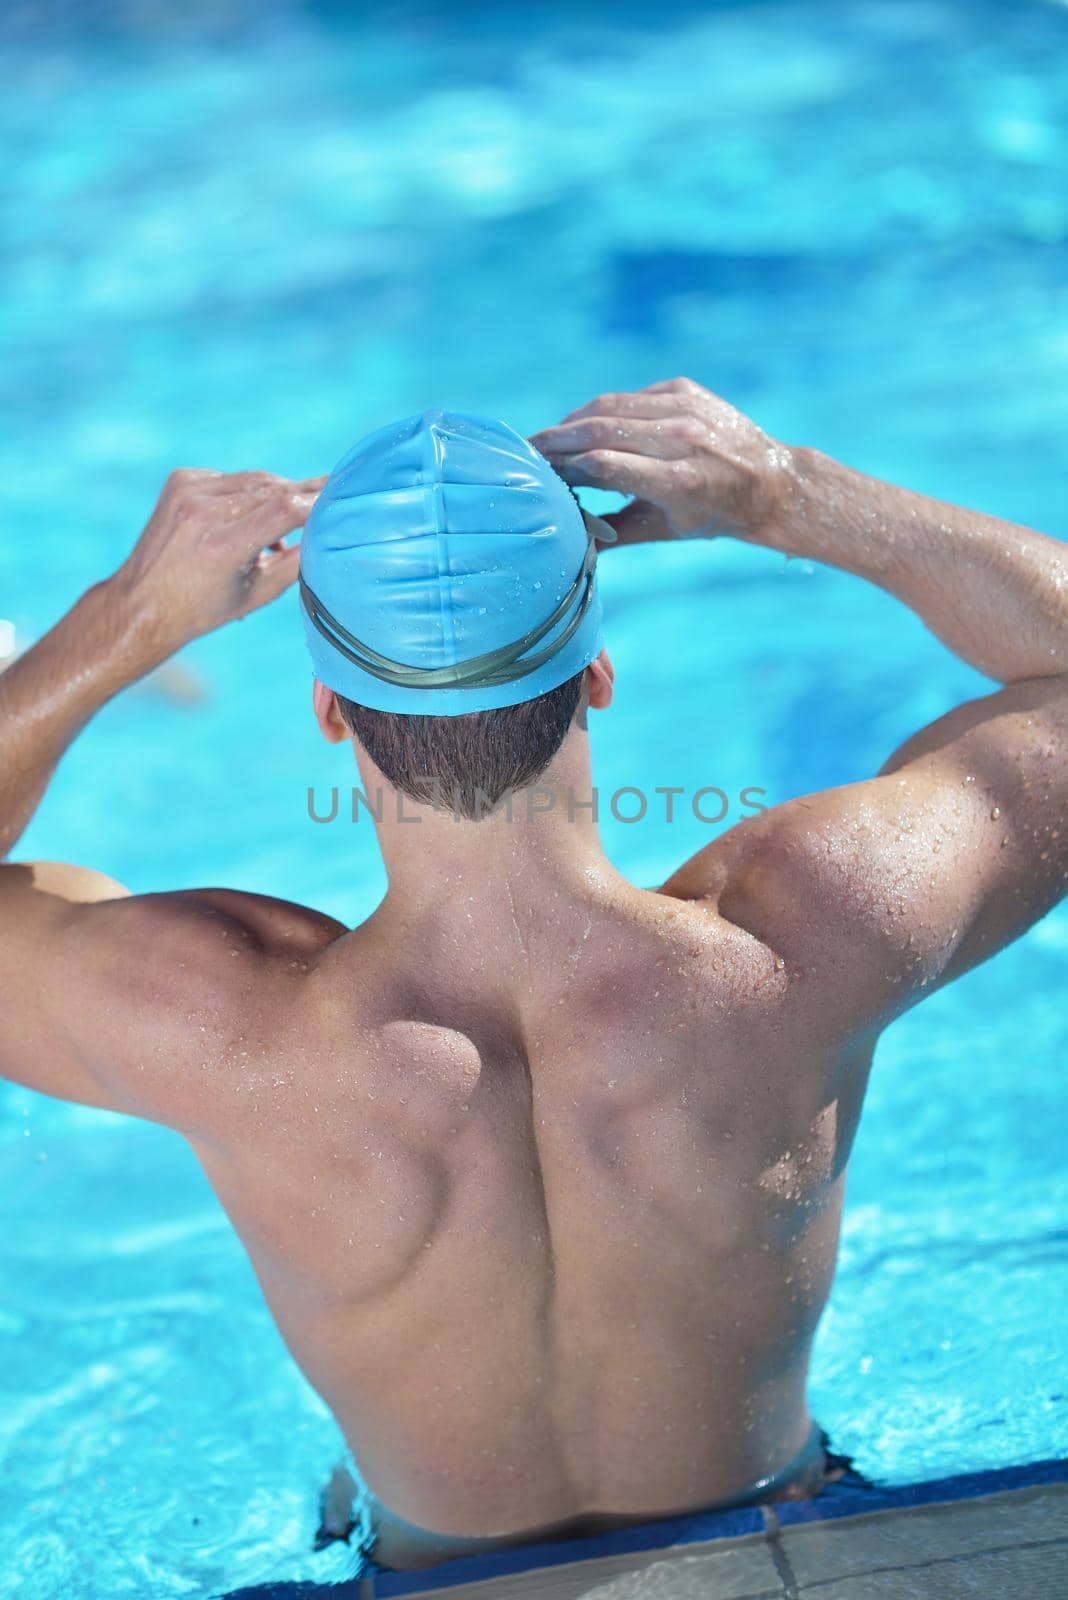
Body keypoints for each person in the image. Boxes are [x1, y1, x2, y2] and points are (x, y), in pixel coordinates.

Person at [0, 383, 1064, 1575]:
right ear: (599, 674)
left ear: (329, 714)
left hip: (425, 1561)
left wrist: (127, 617)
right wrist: (791, 496)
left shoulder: (221, 1027)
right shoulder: (808, 942)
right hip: (791, 1533)